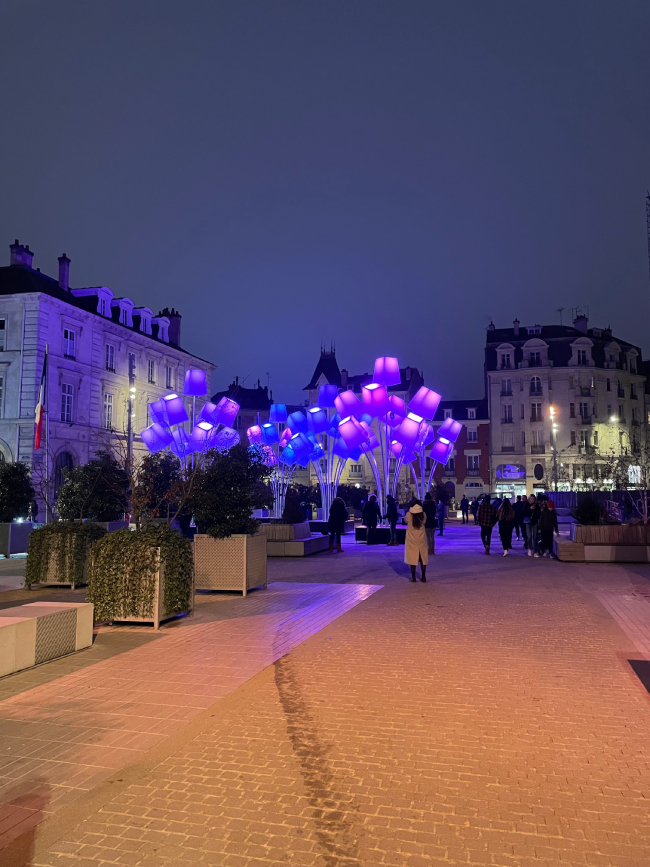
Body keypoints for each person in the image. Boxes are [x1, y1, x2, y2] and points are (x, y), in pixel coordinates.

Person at [404, 502, 428, 582]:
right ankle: (424, 577)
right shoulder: (423, 515)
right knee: (422, 558)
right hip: (421, 538)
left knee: (412, 557)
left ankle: (413, 577)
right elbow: (424, 522)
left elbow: (405, 520)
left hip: (411, 539)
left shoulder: (409, 514)